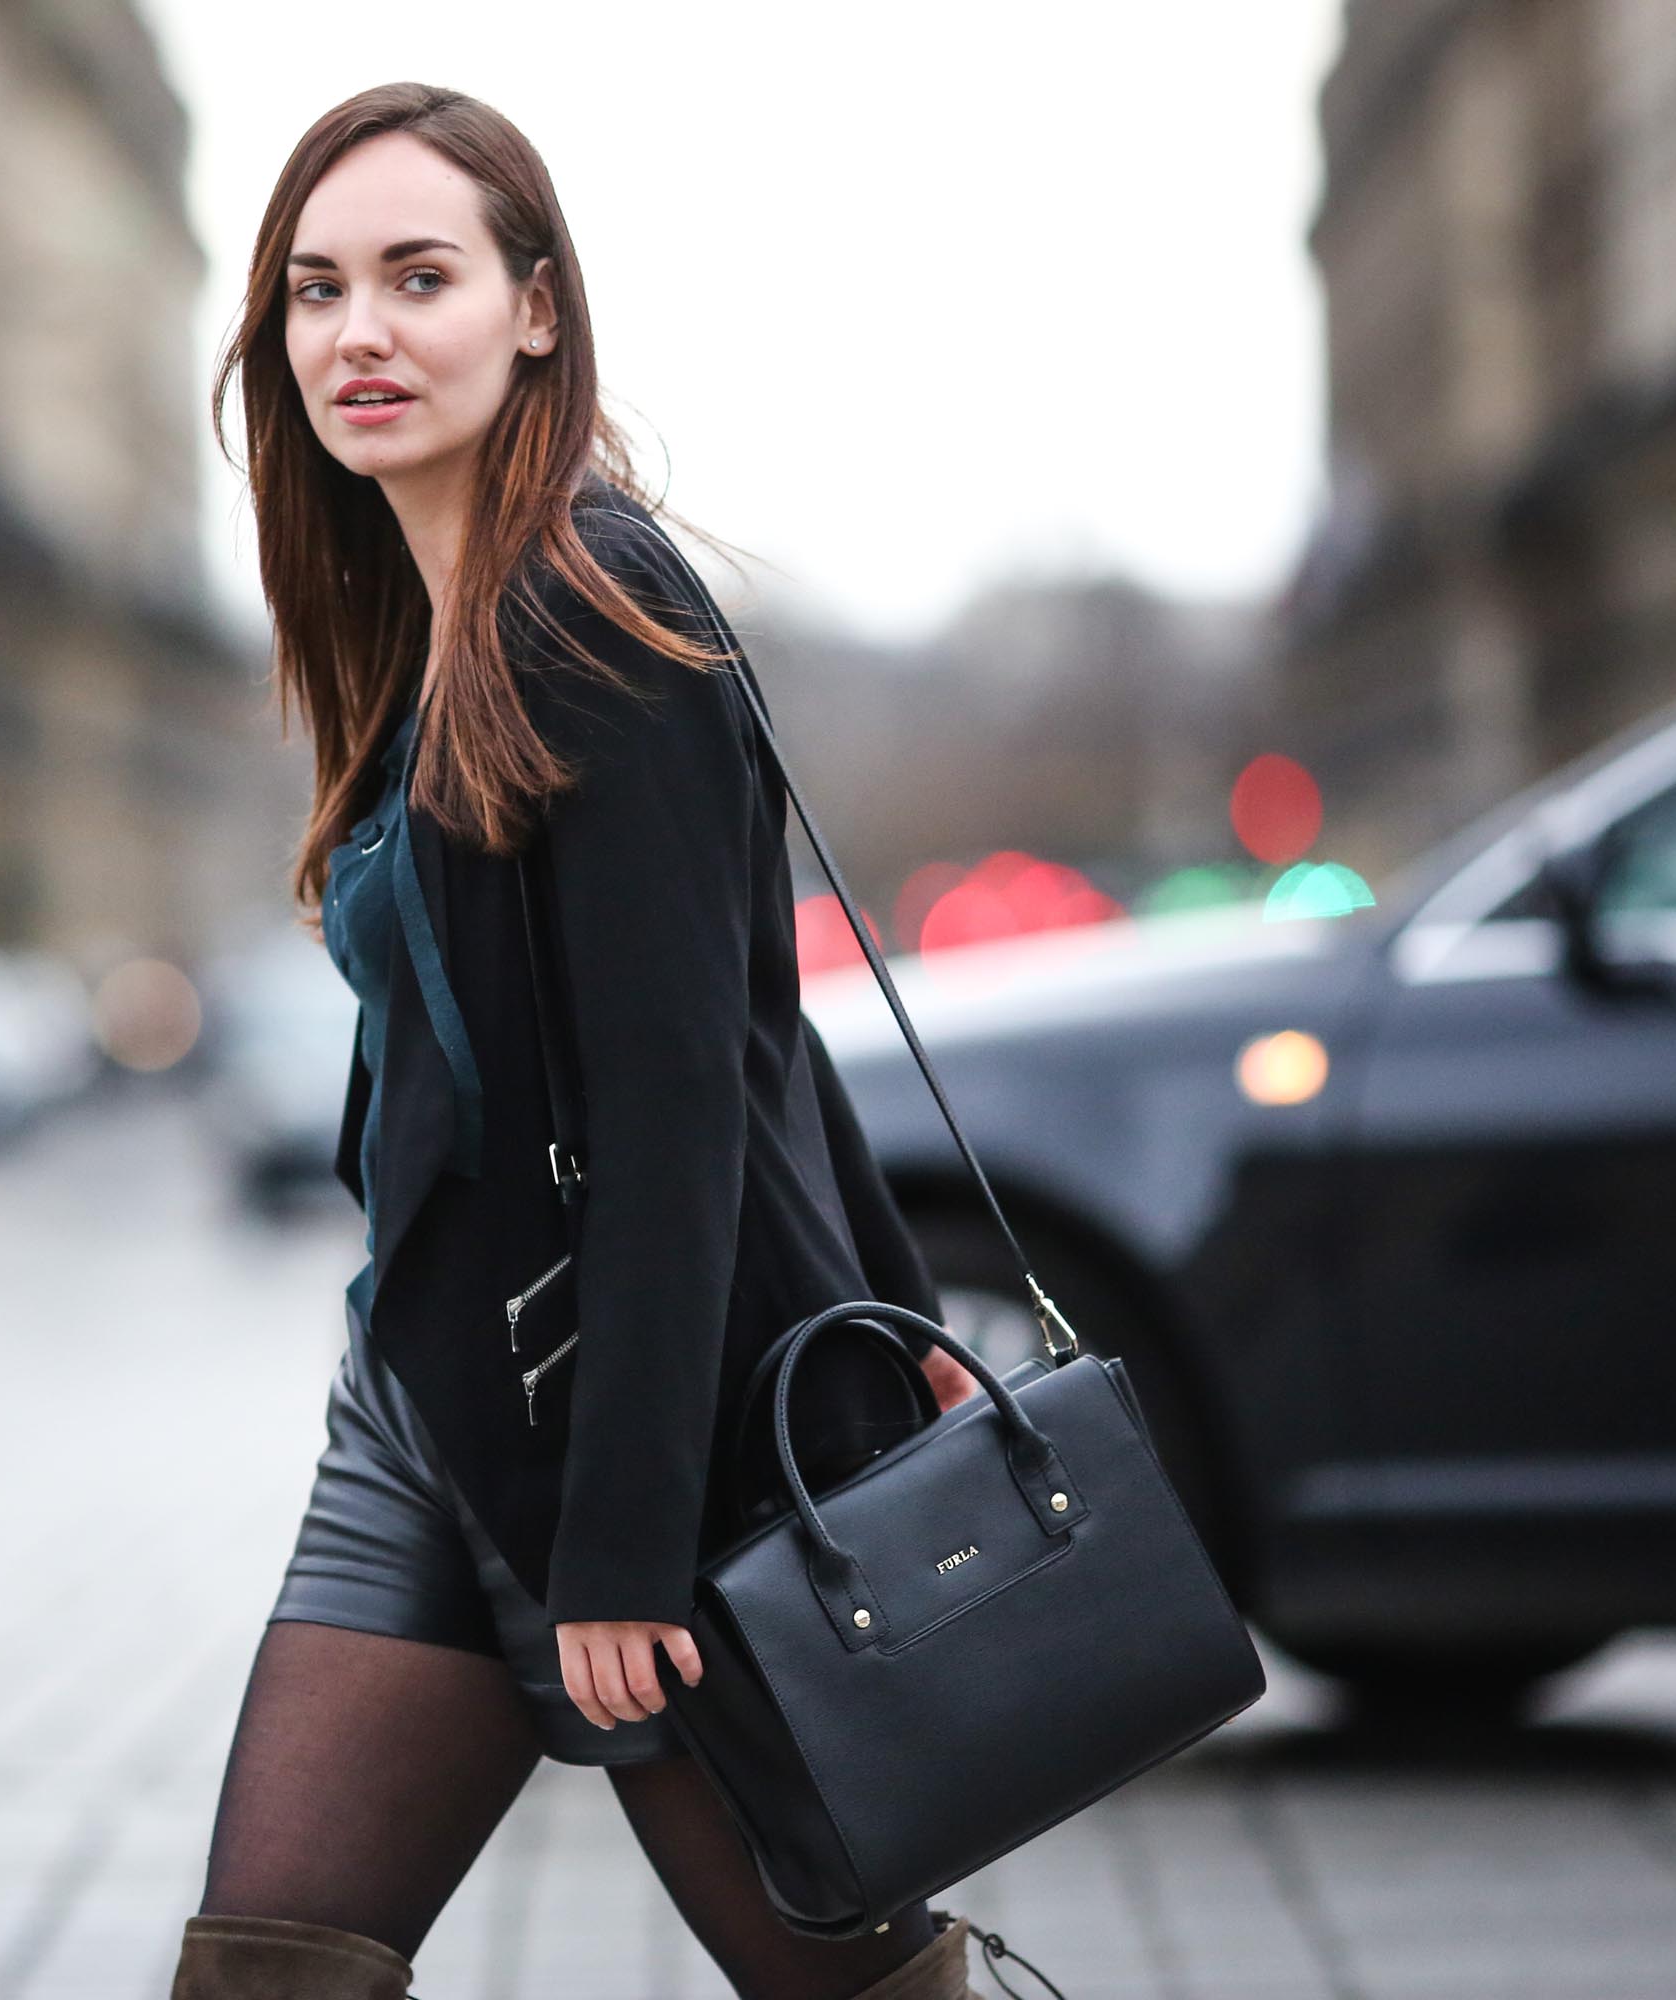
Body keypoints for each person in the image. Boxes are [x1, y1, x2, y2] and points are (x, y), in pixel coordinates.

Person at [175, 85, 1000, 2000]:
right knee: (273, 1962)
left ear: (534, 308)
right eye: (314, 291)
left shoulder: (596, 615)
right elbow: (754, 1029)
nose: (357, 333)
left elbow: (690, 1094)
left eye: (417, 277)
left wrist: (625, 1549)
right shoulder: (428, 627)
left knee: (846, 1984)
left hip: (631, 1443)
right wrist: (908, 1306)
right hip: (428, 1404)